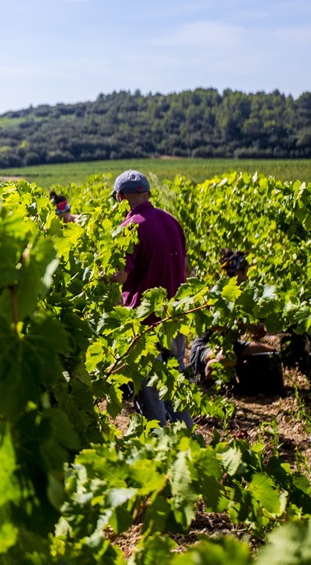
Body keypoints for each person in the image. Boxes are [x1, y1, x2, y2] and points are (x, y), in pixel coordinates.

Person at [107, 170, 193, 428]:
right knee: (175, 383)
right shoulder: (172, 222)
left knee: (149, 392)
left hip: (146, 323)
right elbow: (186, 270)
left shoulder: (129, 228)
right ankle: (185, 439)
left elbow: (121, 277)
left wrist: (98, 273)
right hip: (175, 317)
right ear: (148, 193)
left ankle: (159, 447)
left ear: (121, 197)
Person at [187, 250, 276, 387]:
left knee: (270, 353)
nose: (247, 278)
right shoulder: (218, 292)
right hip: (207, 346)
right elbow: (214, 325)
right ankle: (207, 377)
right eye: (245, 273)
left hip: (232, 345)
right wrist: (246, 325)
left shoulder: (243, 295)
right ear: (237, 273)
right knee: (227, 358)